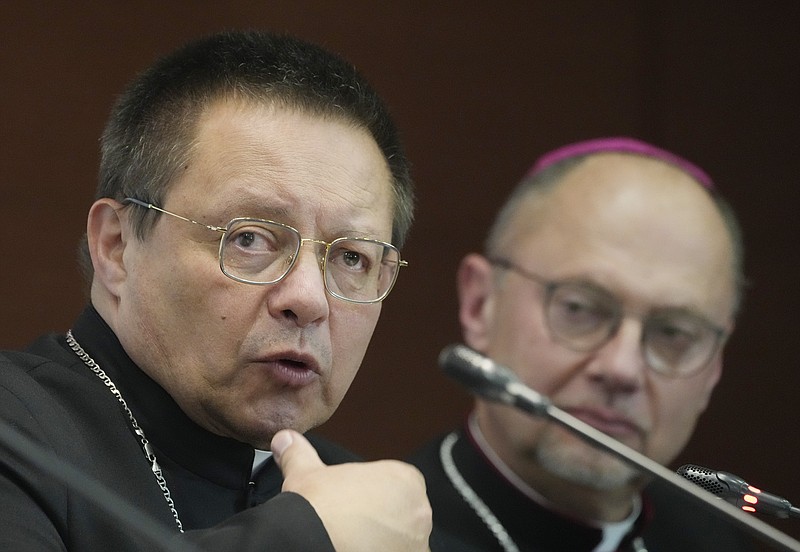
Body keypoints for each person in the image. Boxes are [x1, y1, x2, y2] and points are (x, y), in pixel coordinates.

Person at [0, 30, 431, 551]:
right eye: (250, 238)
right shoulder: (16, 435)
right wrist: (304, 540)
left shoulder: (353, 502)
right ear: (116, 247)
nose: (309, 299)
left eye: (351, 258)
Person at [410, 137, 757, 551]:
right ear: (480, 304)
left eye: (673, 334)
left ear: (714, 367)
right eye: (580, 308)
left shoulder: (718, 542)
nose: (622, 369)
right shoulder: (383, 537)